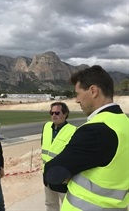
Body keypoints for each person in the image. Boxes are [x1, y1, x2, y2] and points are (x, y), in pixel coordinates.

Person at [45, 65, 129, 210]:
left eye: (77, 93)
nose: (77, 100)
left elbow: (53, 173)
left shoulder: (95, 130)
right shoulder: (124, 123)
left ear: (93, 91)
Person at [41, 102, 77, 211]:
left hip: (63, 179)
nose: (53, 115)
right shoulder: (47, 127)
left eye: (57, 113)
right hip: (47, 177)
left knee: (68, 207)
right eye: (51, 113)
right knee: (50, 205)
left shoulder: (73, 131)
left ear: (65, 114)